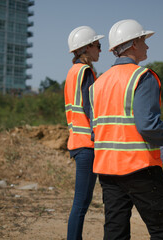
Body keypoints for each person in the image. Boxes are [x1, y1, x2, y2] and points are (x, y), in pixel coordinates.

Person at [88, 19, 163, 240]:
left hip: (107, 169)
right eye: (143, 41)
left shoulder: (98, 84)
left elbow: (96, 132)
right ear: (133, 44)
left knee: (115, 231)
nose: (147, 46)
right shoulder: (142, 77)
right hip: (139, 168)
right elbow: (148, 126)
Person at [64, 26, 104, 240]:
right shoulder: (86, 72)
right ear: (86, 48)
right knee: (80, 204)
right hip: (87, 145)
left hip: (77, 142)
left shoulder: (72, 72)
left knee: (80, 203)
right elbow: (91, 109)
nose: (100, 50)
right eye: (98, 46)